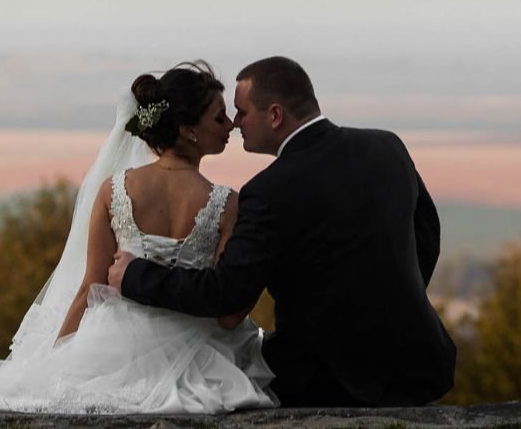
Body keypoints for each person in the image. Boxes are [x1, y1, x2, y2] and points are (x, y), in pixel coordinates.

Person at [0, 61, 274, 413]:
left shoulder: (115, 190)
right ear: (189, 130)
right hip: (201, 352)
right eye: (220, 118)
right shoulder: (226, 202)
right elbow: (227, 314)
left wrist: (59, 356)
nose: (231, 126)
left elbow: (91, 286)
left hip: (116, 346)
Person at [110, 56, 456, 407]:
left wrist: (135, 275)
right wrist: (390, 306)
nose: (235, 123)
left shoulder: (268, 191)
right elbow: (426, 237)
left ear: (274, 116)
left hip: (327, 380)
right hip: (418, 364)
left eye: (243, 112)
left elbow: (226, 293)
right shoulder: (387, 147)